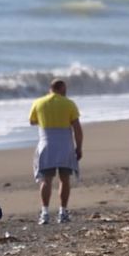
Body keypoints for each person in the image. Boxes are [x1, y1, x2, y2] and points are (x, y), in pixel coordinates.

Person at [29, 79, 82, 224]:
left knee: (46, 180)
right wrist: (79, 147)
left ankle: (45, 213)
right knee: (64, 179)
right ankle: (62, 212)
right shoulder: (69, 103)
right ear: (61, 88)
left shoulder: (38, 103)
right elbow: (77, 128)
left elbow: (32, 121)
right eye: (65, 89)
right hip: (65, 145)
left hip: (47, 144)